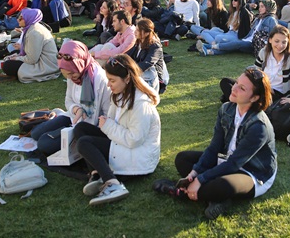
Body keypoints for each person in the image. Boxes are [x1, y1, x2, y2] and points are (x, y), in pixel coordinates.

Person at [154, 67, 276, 220]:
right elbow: (214, 148)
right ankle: (216, 198)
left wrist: (200, 179)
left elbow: (234, 164)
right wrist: (194, 173)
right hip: (227, 159)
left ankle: (183, 192)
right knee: (182, 159)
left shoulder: (258, 126)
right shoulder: (226, 109)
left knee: (221, 185)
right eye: (237, 83)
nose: (234, 88)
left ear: (254, 98)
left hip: (251, 172)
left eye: (242, 88)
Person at [73, 54, 161, 205]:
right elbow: (114, 126)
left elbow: (134, 140)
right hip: (123, 144)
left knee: (84, 143)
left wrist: (108, 126)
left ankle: (113, 184)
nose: (108, 85)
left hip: (138, 157)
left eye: (112, 80)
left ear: (127, 78)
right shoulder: (120, 94)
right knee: (81, 129)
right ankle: (97, 173)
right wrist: (108, 126)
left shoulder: (141, 105)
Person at [30, 41, 112, 155]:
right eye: (66, 74)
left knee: (44, 144)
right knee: (35, 134)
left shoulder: (99, 80)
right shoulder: (73, 72)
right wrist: (76, 109)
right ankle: (57, 121)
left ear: (79, 64)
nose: (70, 78)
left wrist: (78, 122)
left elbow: (101, 117)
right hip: (73, 116)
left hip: (89, 126)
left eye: (72, 74)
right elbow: (68, 100)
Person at [0, 8, 60, 83]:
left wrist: (17, 58)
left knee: (7, 65)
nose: (18, 20)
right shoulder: (32, 28)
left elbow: (32, 59)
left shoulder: (34, 32)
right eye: (18, 17)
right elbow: (30, 50)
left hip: (46, 65)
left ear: (29, 19)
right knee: (12, 54)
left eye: (21, 18)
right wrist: (17, 56)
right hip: (42, 60)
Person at [200, 0, 277, 56]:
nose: (259, 9)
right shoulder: (259, 18)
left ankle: (209, 46)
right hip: (248, 39)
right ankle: (209, 52)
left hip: (255, 43)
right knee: (233, 47)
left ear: (268, 8)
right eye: (259, 6)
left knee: (236, 44)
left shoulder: (271, 20)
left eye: (262, 7)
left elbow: (272, 35)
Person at [126, 18, 166, 94]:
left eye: (138, 30)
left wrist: (130, 70)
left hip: (153, 78)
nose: (135, 32)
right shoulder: (138, 42)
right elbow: (128, 56)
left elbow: (147, 63)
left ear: (147, 33)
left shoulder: (155, 46)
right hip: (140, 74)